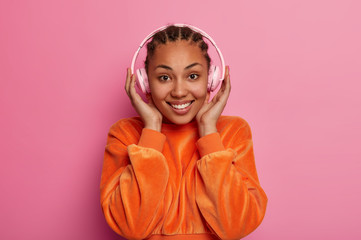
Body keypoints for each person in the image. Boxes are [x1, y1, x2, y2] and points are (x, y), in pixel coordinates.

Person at [100, 24, 268, 240]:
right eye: (164, 78)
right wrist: (151, 128)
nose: (179, 92)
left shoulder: (233, 131)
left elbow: (236, 227)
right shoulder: (124, 134)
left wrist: (208, 131)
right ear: (144, 83)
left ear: (211, 79)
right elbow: (130, 227)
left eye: (192, 76)